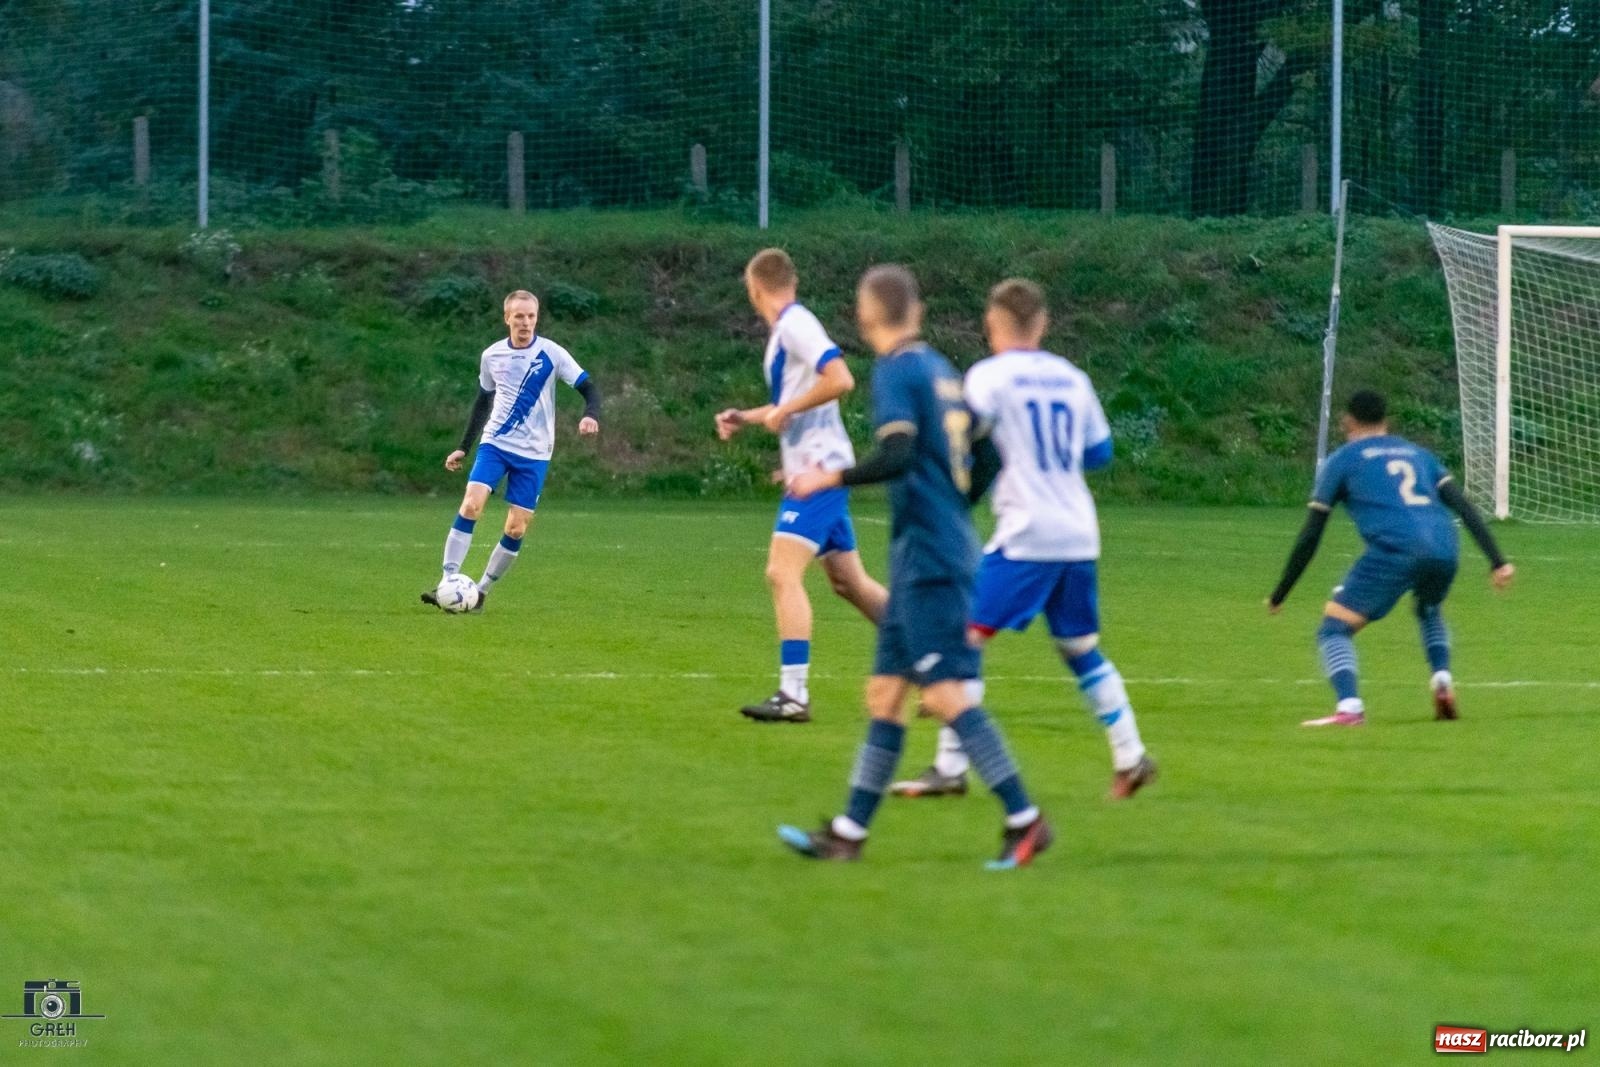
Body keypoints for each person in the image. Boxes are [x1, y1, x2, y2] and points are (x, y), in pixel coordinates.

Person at [778, 264, 1052, 869]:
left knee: (948, 694)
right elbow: (987, 450)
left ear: (866, 313)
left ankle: (1026, 818)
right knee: (884, 695)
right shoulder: (943, 372)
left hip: (932, 560)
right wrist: (956, 504)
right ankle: (848, 835)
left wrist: (829, 475)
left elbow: (897, 452)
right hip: (926, 552)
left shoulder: (898, 370)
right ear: (917, 311)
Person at [892, 279, 1157, 800]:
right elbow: (1099, 453)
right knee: (1080, 648)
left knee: (963, 635)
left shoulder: (989, 377)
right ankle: (1130, 754)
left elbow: (963, 440)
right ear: (1043, 324)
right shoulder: (1072, 378)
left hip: (1028, 530)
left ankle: (949, 767)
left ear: (993, 326)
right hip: (1078, 531)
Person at [1268, 390, 1514, 725]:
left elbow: (1311, 535)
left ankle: (1349, 708)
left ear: (1348, 421)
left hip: (1396, 550)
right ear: (1386, 421)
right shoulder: (1419, 455)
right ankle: (1442, 678)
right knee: (1428, 609)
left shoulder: (1343, 460)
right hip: (1444, 545)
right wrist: (1498, 560)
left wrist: (1281, 592)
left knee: (1334, 629)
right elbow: (1463, 506)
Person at [716, 249, 887, 722]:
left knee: (780, 572)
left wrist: (785, 412)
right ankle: (934, 659)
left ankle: (794, 695)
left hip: (820, 473)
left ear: (754, 288)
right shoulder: (787, 330)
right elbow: (795, 400)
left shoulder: (795, 324)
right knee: (849, 583)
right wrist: (747, 417)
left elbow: (840, 379)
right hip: (812, 470)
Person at [421, 290, 600, 611]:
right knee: (471, 505)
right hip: (496, 444)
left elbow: (589, 387)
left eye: (531, 316)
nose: (526, 322)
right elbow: (482, 401)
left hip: (535, 453)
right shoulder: (492, 356)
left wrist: (591, 414)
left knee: (516, 527)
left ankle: (480, 593)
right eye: (519, 316)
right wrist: (463, 447)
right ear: (507, 319)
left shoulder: (552, 353)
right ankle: (447, 581)